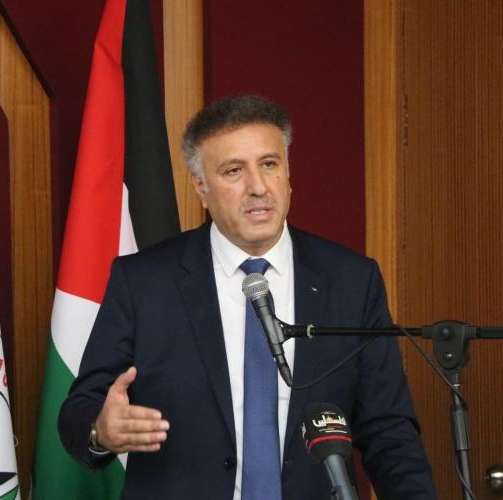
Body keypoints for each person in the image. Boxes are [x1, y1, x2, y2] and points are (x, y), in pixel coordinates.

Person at [58, 95, 436, 499]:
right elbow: (80, 409)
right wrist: (101, 430)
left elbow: (389, 431)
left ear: (288, 173)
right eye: (234, 171)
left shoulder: (351, 281)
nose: (258, 188)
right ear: (201, 187)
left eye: (269, 164)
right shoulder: (144, 282)